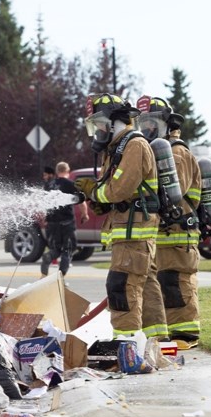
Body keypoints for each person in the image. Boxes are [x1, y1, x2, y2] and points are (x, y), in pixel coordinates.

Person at [74, 93, 165, 339]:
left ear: (116, 120)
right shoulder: (117, 149)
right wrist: (97, 200)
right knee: (142, 287)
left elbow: (119, 188)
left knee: (121, 286)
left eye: (101, 123)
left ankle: (126, 343)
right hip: (127, 231)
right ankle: (154, 342)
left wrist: (93, 191)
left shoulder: (134, 145)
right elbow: (114, 191)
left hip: (134, 233)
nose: (99, 129)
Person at [136, 96, 202, 346]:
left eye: (152, 122)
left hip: (178, 232)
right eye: (143, 123)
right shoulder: (158, 153)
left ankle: (186, 334)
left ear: (167, 124)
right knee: (163, 283)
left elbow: (176, 189)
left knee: (177, 282)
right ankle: (167, 336)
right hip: (163, 231)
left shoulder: (177, 153)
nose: (147, 129)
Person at [41, 161, 89, 278]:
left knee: (56, 249)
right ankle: (60, 277)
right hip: (67, 223)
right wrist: (85, 214)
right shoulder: (70, 184)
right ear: (68, 171)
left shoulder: (49, 185)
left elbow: (43, 203)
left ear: (57, 172)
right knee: (68, 249)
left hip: (52, 223)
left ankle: (48, 259)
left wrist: (45, 218)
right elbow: (81, 201)